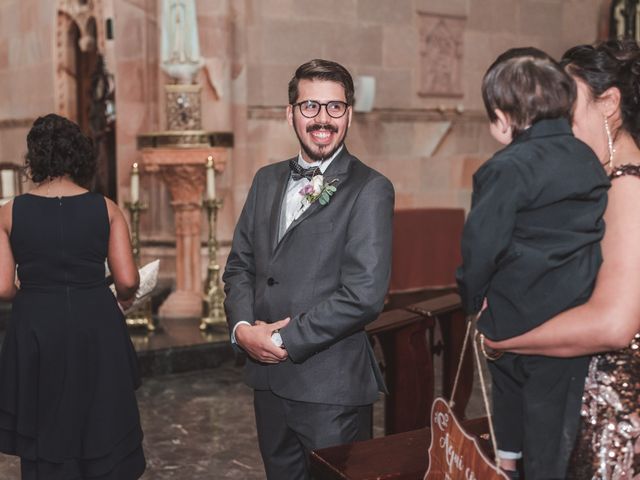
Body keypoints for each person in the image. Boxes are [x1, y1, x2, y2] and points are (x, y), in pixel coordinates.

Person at [222, 59, 394, 479]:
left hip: (330, 387)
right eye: (310, 106)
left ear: (349, 114)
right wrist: (243, 329)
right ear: (291, 113)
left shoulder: (371, 189)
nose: (323, 119)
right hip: (267, 383)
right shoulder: (265, 180)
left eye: (335, 108)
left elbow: (364, 294)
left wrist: (281, 338)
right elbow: (240, 266)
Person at [484, 39, 640, 480]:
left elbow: (614, 323)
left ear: (608, 103)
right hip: (573, 396)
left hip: (608, 413)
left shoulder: (628, 186)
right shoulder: (598, 182)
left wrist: (506, 338)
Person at [456, 48, 611, 479]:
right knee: (551, 416)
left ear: (505, 118)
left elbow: (482, 244)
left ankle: (507, 461)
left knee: (507, 382)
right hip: (573, 311)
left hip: (515, 307)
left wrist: (472, 297)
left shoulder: (505, 168)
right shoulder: (588, 159)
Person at [0, 114, 146, 479]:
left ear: (34, 157)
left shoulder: (9, 212)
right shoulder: (107, 208)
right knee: (100, 411)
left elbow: (2, 287)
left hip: (35, 320)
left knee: (44, 414)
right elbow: (127, 280)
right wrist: (123, 298)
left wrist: (31, 293)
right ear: (79, 156)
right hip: (95, 318)